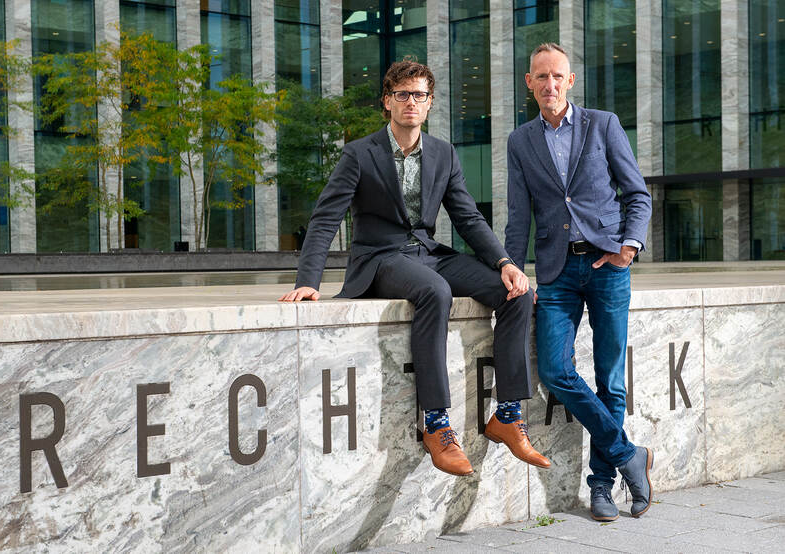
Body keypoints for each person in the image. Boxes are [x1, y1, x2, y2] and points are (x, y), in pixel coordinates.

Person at [280, 60, 550, 476]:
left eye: (419, 95)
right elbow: (325, 218)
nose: (411, 102)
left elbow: (468, 219)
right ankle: (436, 423)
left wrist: (505, 263)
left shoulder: (442, 153)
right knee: (434, 291)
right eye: (402, 94)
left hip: (429, 253)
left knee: (518, 292)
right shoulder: (358, 154)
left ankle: (508, 415)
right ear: (387, 101)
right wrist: (308, 282)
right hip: (381, 259)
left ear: (429, 104)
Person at [504, 43, 654, 521]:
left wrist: (629, 246)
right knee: (553, 371)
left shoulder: (603, 124)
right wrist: (510, 264)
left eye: (558, 77)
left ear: (571, 81)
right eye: (541, 77)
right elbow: (516, 216)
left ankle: (602, 486)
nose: (549, 85)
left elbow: (637, 193)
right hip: (555, 271)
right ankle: (630, 453)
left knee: (611, 380)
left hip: (608, 265)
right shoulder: (519, 141)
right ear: (530, 83)